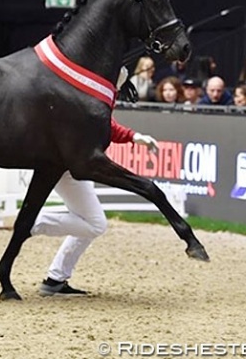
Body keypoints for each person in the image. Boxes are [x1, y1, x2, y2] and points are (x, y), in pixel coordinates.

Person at [32, 118, 159, 296]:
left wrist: (133, 136)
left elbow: (104, 121)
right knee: (96, 224)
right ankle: (32, 221)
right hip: (66, 167)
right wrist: (133, 136)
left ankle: (56, 280)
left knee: (87, 222)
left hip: (76, 165)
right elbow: (99, 119)